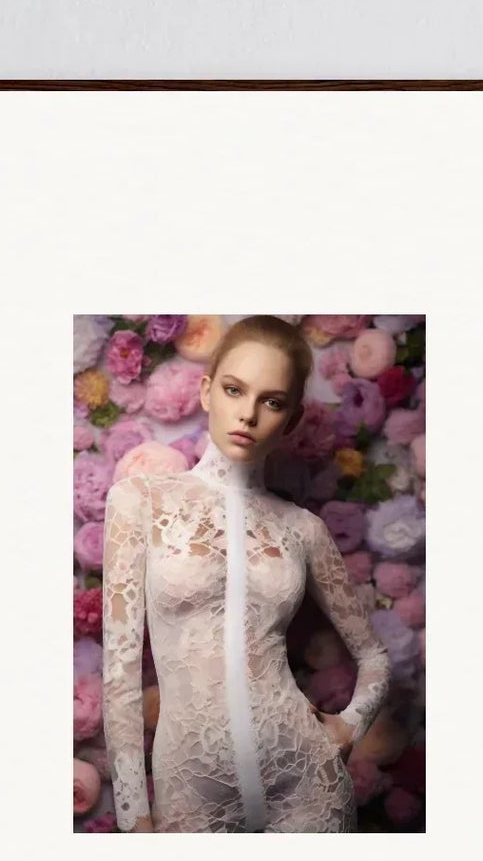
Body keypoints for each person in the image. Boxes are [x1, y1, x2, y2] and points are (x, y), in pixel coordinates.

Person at [100, 315, 390, 833]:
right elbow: (120, 677)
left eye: (272, 401)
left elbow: (375, 656)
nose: (249, 414)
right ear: (209, 391)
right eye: (235, 390)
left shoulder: (304, 529)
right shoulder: (140, 502)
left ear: (293, 418)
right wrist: (132, 818)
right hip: (191, 789)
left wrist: (350, 726)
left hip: (307, 781)